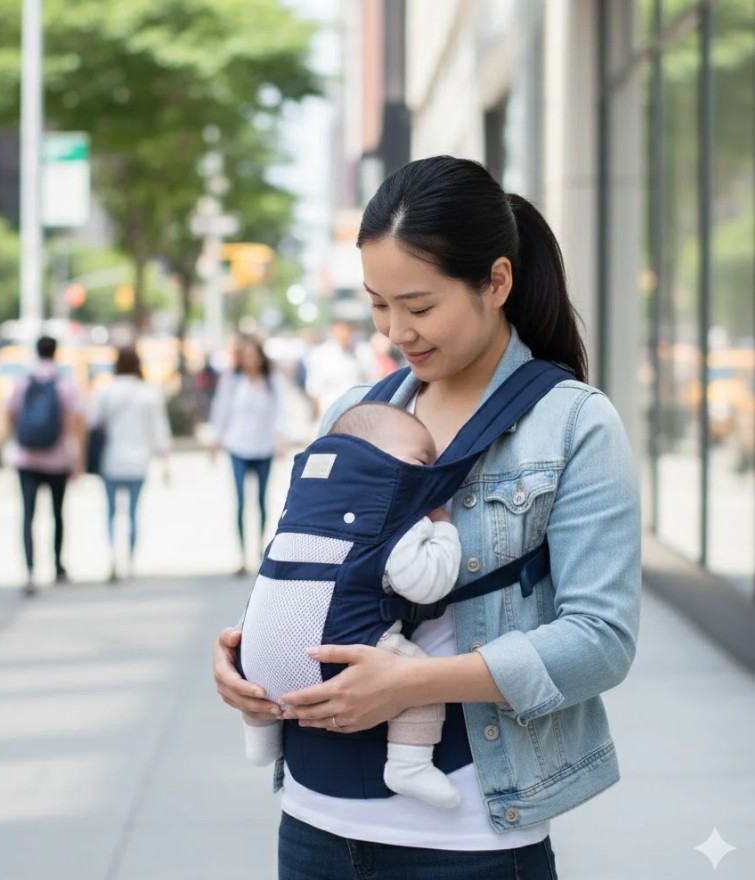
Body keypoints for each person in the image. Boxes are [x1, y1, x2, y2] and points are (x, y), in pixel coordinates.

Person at [213, 155, 641, 879]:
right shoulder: (352, 412)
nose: (395, 331)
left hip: (468, 840)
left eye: (418, 306)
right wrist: (243, 653)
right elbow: (313, 572)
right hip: (313, 822)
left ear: (496, 282)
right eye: (378, 305)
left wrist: (411, 684)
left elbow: (601, 641)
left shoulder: (572, 423)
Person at [240, 401, 463, 810]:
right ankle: (409, 764)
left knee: (268, 670)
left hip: (255, 660)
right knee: (415, 676)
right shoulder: (394, 516)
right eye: (422, 461)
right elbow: (429, 583)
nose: (428, 472)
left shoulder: (303, 509)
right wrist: (443, 528)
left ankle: (260, 736)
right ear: (381, 460)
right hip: (333, 657)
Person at [7, 335, 85, 596]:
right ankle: (58, 567)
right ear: (56, 352)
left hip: (26, 458)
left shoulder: (23, 381)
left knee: (28, 515)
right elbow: (75, 421)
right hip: (57, 459)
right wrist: (77, 459)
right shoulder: (64, 384)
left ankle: (30, 570)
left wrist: (17, 439)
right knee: (57, 514)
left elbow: (10, 413)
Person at [89, 345, 172, 582]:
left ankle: (113, 557)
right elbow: (159, 431)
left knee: (111, 512)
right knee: (134, 513)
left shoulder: (106, 391)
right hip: (139, 461)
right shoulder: (148, 393)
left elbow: (93, 422)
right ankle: (131, 560)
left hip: (111, 460)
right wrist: (165, 462)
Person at [208, 336, 288, 575]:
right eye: (246, 356)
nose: (250, 361)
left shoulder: (271, 380)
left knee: (262, 500)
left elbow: (280, 411)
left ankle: (260, 548)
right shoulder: (232, 381)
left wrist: (280, 438)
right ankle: (242, 555)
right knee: (241, 501)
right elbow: (221, 410)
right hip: (238, 446)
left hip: (263, 446)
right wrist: (215, 439)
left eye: (254, 356)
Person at [304, 320, 375, 421]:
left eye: (349, 330)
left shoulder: (361, 352)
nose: (345, 334)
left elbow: (369, 379)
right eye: (342, 330)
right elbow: (315, 389)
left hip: (357, 414)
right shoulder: (321, 355)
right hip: (331, 414)